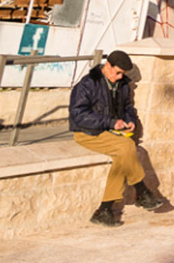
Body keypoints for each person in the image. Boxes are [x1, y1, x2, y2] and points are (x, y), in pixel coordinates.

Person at [69, 50, 165, 227]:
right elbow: (78, 115)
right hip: (88, 132)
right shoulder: (87, 84)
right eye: (117, 72)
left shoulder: (122, 85)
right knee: (127, 146)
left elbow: (128, 107)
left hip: (112, 133)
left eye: (122, 74)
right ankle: (141, 190)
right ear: (107, 66)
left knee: (123, 156)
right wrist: (110, 122)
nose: (120, 76)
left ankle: (104, 210)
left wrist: (130, 121)